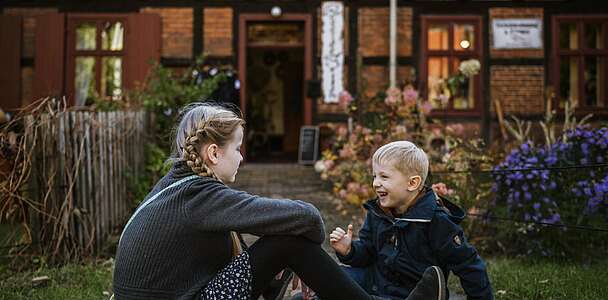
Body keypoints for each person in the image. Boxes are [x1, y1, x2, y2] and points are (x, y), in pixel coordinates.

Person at [112, 102, 443, 300]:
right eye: (237, 148)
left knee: (280, 244)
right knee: (288, 242)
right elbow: (309, 217)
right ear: (213, 153)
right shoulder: (199, 194)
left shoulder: (177, 186)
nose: (241, 158)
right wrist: (298, 251)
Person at [330, 141, 493, 300]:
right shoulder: (378, 212)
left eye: (384, 177)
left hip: (415, 292)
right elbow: (367, 252)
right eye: (374, 176)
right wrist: (349, 250)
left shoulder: (436, 220)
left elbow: (468, 264)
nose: (375, 183)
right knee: (334, 275)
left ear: (412, 183)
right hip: (377, 283)